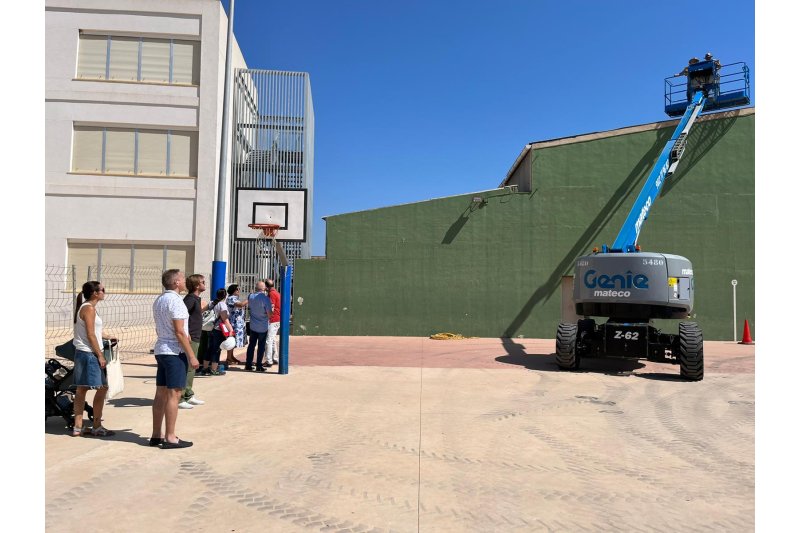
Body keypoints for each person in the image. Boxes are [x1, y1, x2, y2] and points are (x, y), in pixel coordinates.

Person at [151, 269, 199, 449]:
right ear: (176, 282)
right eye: (182, 278)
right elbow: (180, 332)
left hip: (161, 349)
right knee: (174, 394)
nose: (185, 280)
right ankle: (170, 436)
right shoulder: (176, 302)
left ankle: (156, 435)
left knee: (160, 393)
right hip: (174, 352)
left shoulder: (159, 300)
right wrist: (191, 355)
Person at [71, 281, 115, 437]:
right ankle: (95, 426)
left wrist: (106, 336)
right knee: (101, 387)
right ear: (95, 293)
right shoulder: (88, 309)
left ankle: (78, 426)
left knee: (82, 389)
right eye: (102, 289)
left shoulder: (87, 308)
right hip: (89, 354)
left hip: (84, 353)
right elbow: (90, 334)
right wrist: (100, 355)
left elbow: (92, 331)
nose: (105, 291)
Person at [180, 274, 208, 409]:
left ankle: (188, 394)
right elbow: (182, 317)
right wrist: (186, 334)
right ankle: (180, 397)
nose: (205, 283)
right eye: (203, 282)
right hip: (191, 337)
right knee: (188, 367)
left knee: (192, 368)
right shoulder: (190, 299)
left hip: (196, 335)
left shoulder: (195, 299)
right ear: (197, 285)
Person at [200, 288, 233, 376]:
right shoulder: (222, 305)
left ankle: (205, 368)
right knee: (216, 350)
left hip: (210, 328)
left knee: (209, 348)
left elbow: (202, 311)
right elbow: (225, 320)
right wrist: (231, 330)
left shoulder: (212, 303)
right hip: (218, 330)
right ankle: (214, 369)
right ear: (225, 296)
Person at [244, 281, 270, 371]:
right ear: (264, 288)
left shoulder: (250, 296)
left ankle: (248, 364)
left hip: (253, 325)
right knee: (261, 346)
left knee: (251, 345)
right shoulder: (266, 299)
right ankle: (259, 365)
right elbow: (269, 314)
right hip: (262, 326)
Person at [224, 284, 248, 366]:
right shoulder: (231, 298)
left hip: (237, 323)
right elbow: (240, 305)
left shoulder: (234, 298)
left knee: (234, 341)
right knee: (232, 340)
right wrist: (249, 299)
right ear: (233, 291)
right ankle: (229, 357)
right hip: (233, 323)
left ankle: (231, 356)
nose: (239, 291)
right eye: (237, 289)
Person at [265, 279, 281, 367]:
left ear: (267, 287)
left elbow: (271, 306)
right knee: (273, 339)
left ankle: (269, 360)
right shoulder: (277, 293)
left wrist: (267, 316)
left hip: (273, 319)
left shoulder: (271, 294)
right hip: (277, 319)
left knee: (268, 340)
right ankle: (275, 358)